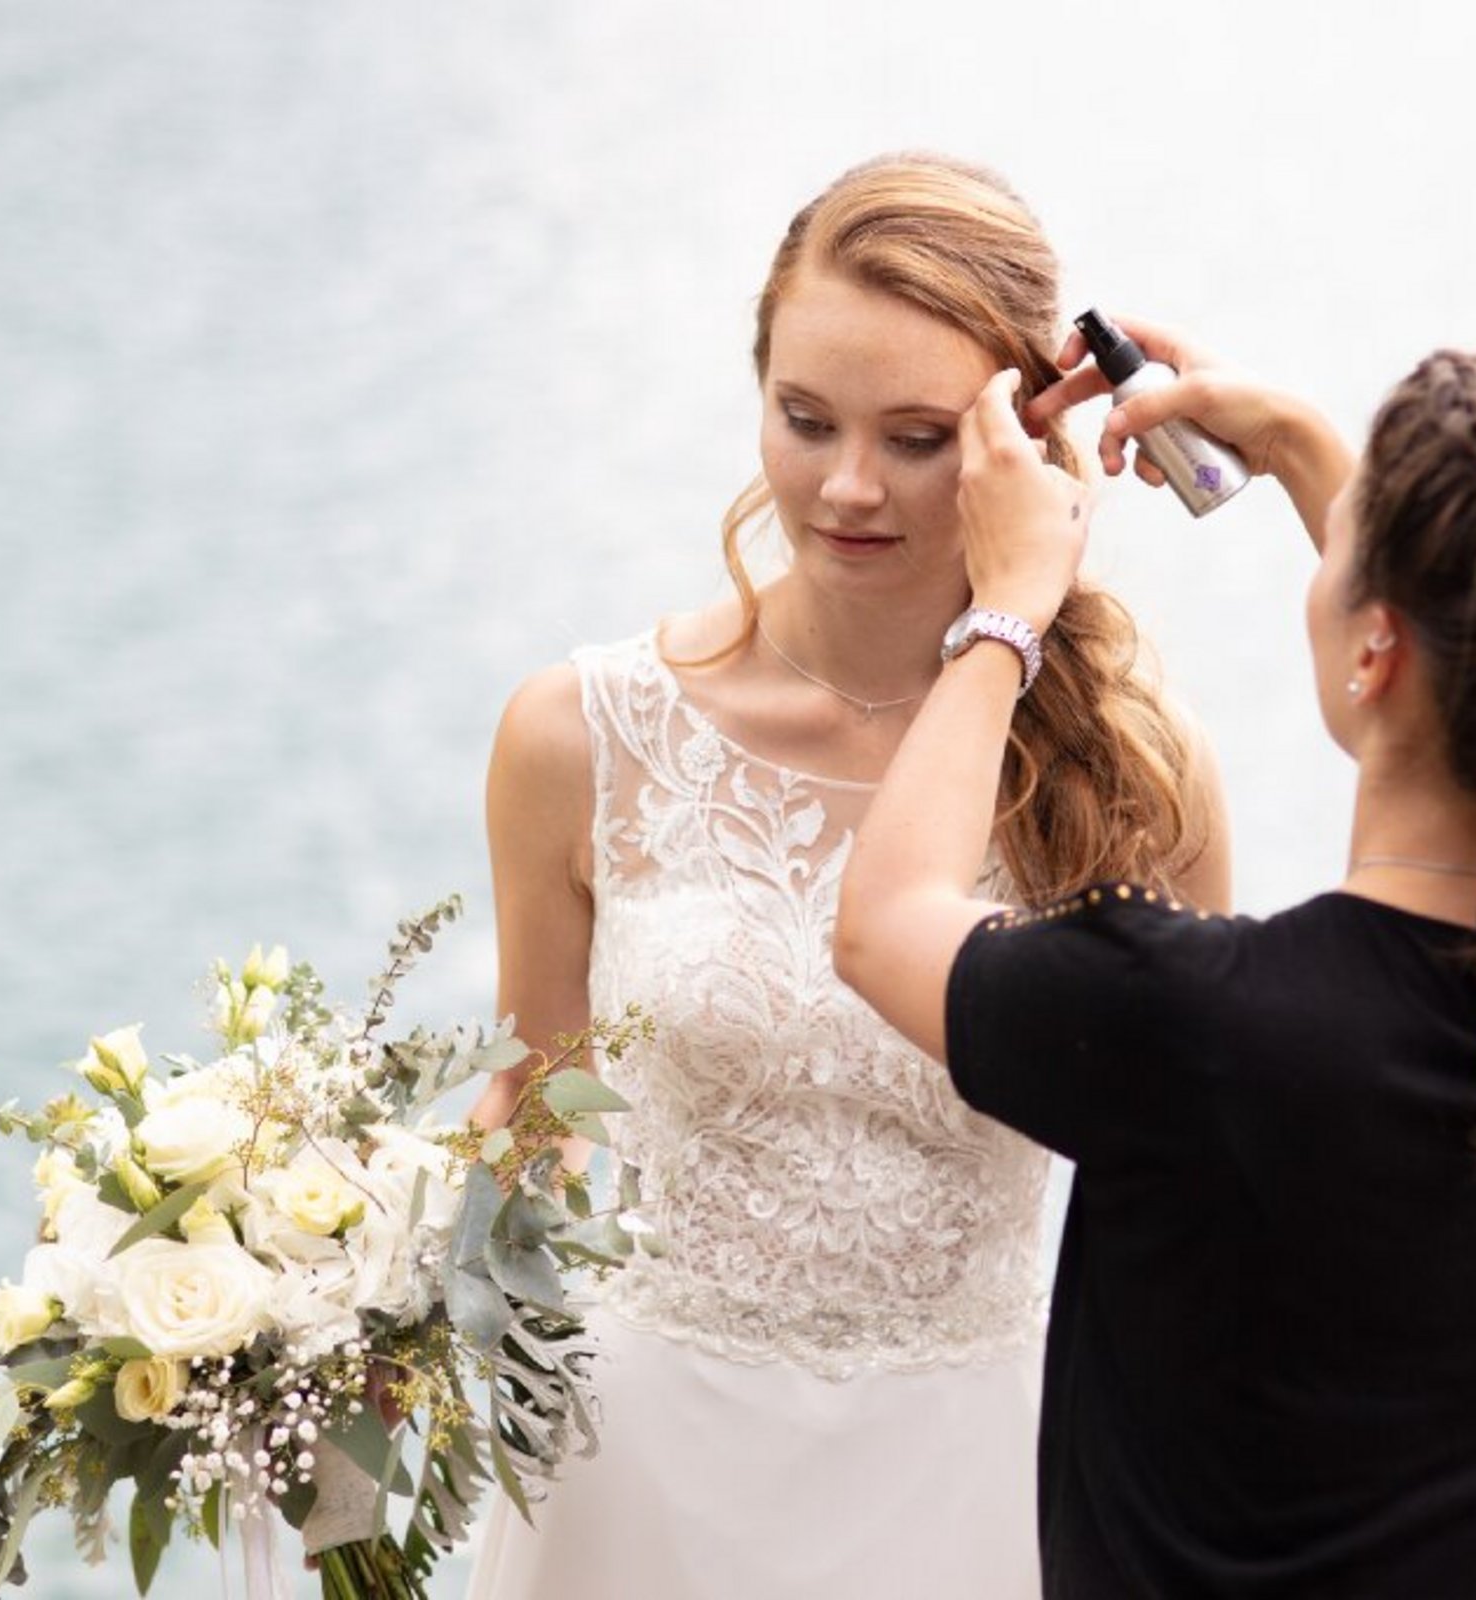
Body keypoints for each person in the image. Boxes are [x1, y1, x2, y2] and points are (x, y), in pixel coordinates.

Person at [464, 157, 1231, 1600]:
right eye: (804, 419)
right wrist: (337, 1284)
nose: (849, 487)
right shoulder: (577, 736)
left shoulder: (1135, 771)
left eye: (918, 438)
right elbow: (535, 1101)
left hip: (974, 1489)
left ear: (1022, 436)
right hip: (634, 1486)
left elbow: (1203, 1178)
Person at [834, 323, 1476, 1597]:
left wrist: (1006, 606)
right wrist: (1293, 442)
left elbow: (885, 918)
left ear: (1374, 649)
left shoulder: (1191, 1024)